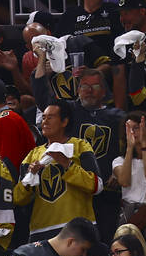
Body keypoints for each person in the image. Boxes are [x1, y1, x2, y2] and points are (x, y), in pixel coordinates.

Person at [16, 101, 104, 242]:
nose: (45, 121)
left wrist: (67, 164)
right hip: (41, 232)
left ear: (64, 121)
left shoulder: (81, 146)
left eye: (50, 117)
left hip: (78, 229)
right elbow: (19, 199)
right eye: (43, 117)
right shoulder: (32, 155)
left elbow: (97, 186)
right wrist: (30, 176)